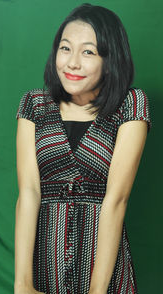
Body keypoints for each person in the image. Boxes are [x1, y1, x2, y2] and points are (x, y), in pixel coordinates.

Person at [14, 3, 152, 294]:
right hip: (45, 261)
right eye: (65, 49)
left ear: (110, 58)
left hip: (103, 263)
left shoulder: (130, 105)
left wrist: (97, 290)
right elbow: (29, 192)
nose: (72, 63)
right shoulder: (34, 105)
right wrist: (22, 283)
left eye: (88, 52)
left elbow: (117, 199)